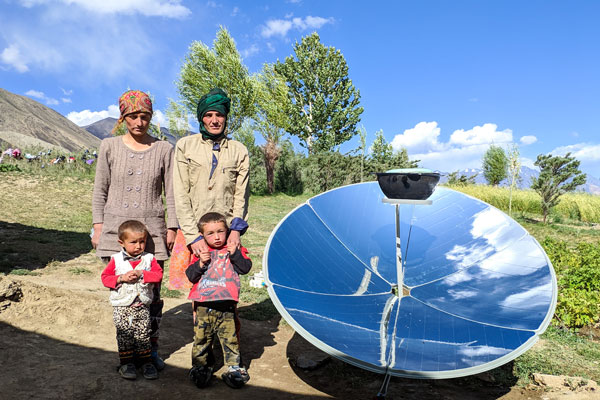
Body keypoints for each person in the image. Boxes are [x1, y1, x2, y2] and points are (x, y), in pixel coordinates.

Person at [91, 89, 177, 370]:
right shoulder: (109, 146)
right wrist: (98, 226)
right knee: (123, 297)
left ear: (151, 117)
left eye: (144, 116)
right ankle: (127, 354)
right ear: (123, 117)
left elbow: (172, 192)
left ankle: (149, 352)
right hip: (116, 231)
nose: (139, 122)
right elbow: (99, 190)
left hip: (152, 232)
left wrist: (172, 227)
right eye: (133, 116)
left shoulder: (164, 149)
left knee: (151, 296)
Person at [169, 87, 250, 290]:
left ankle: (229, 323)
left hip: (224, 234)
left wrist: (235, 231)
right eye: (208, 115)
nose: (215, 120)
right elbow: (180, 193)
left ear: (225, 118)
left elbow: (241, 195)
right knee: (197, 287)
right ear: (201, 119)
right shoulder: (185, 146)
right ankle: (200, 322)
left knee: (225, 285)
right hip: (193, 229)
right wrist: (192, 236)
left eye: (219, 115)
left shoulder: (239, 150)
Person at [186, 212, 252, 389]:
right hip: (203, 306)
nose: (216, 237)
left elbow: (245, 268)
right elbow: (190, 276)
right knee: (201, 339)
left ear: (227, 231)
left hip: (226, 305)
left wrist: (235, 254)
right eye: (210, 233)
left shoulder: (234, 248)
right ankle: (200, 367)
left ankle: (234, 368)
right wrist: (200, 263)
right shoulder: (200, 251)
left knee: (230, 339)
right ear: (202, 235)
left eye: (220, 231)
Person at [101, 220, 163, 380]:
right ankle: (126, 364)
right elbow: (105, 278)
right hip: (122, 307)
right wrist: (121, 278)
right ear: (121, 242)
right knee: (124, 336)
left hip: (142, 306)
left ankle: (146, 363)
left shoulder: (149, 259)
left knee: (143, 335)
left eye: (142, 241)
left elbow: (158, 275)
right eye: (133, 242)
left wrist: (143, 274)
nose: (138, 246)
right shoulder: (116, 260)